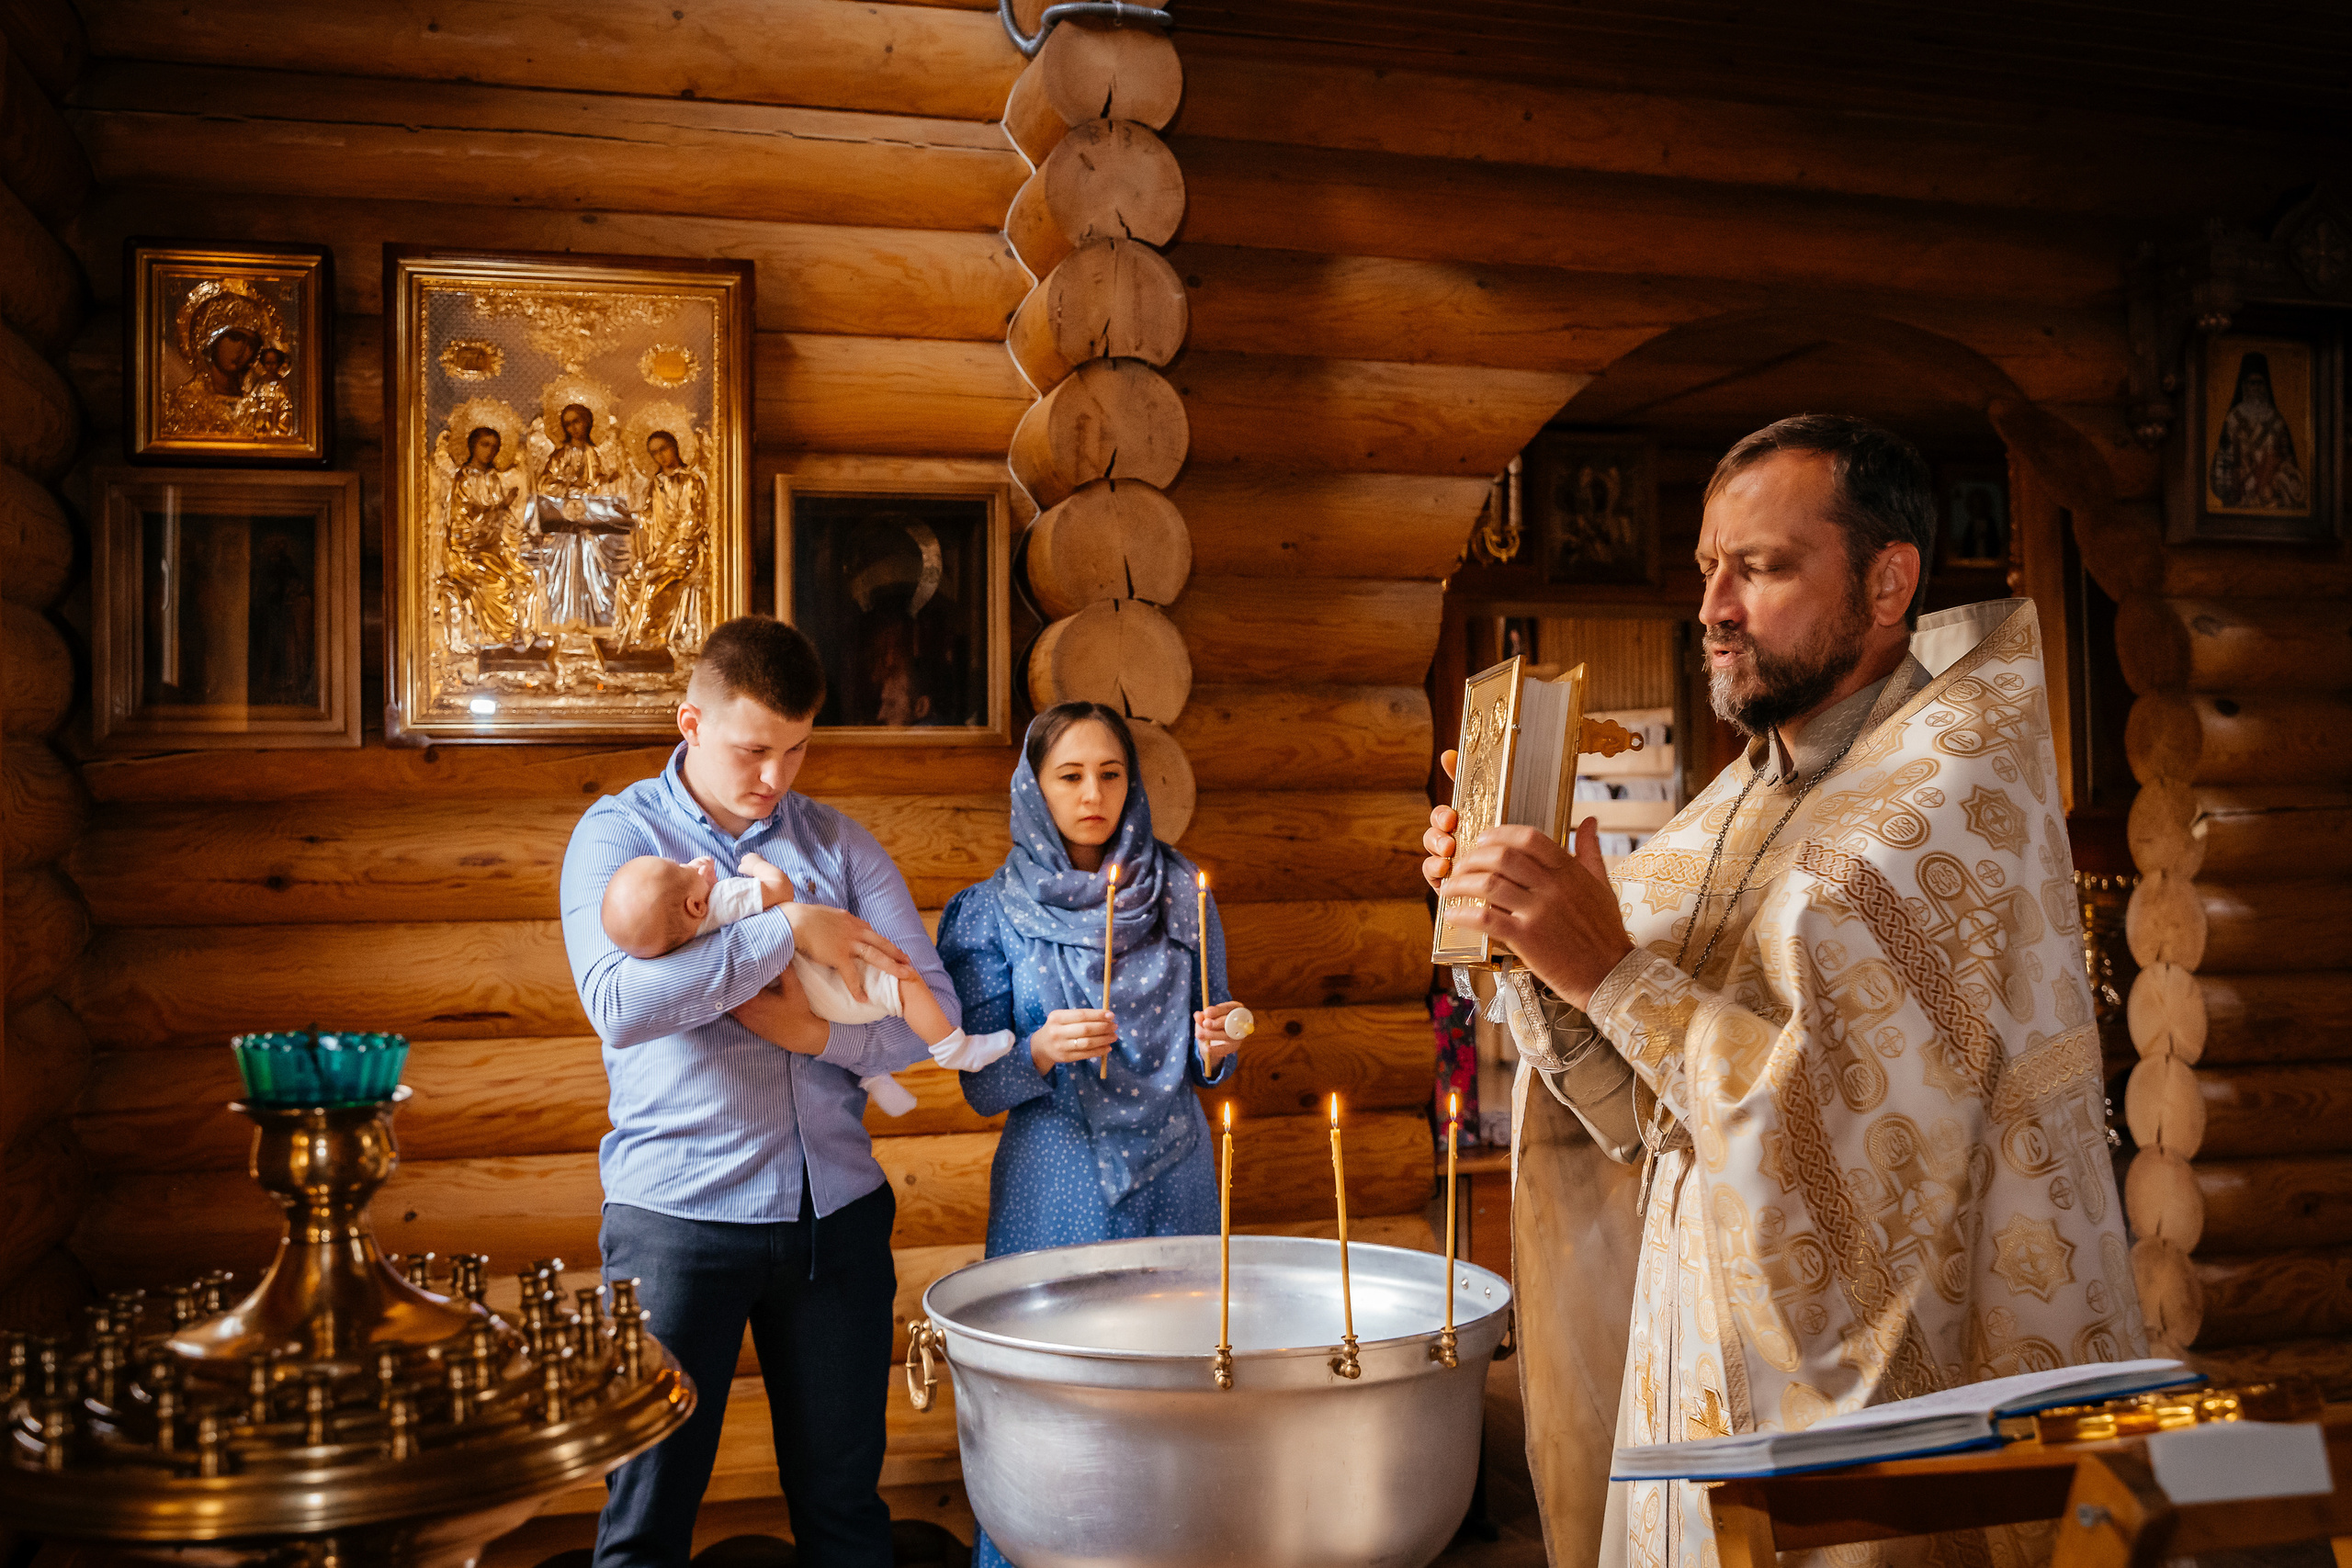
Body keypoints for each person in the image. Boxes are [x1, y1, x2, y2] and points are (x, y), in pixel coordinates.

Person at [1422, 415, 2140, 1568]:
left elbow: (1838, 1158)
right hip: (1695, 1360)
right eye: (1709, 568)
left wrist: (1608, 967)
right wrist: (1532, 939)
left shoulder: (1928, 818)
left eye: (1759, 568)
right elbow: (1651, 1122)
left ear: (1887, 579)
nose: (1713, 606)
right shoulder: (1742, 800)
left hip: (1848, 1429)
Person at [559, 615, 947, 1568]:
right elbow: (619, 1003)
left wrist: (814, 1032)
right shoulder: (617, 836)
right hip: (675, 1219)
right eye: (753, 749)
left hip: (837, 1220)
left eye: (798, 748)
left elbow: (930, 1012)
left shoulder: (840, 843)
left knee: (847, 1513)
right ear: (689, 722)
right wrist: (790, 931)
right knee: (646, 1521)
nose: (776, 776)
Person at [936, 701, 1254, 1568]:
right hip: (1055, 1184)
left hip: (1179, 1175)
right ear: (1033, 787)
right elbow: (979, 1085)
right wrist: (1038, 1048)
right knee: (1051, 1418)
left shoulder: (1181, 892)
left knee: (1181, 1401)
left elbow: (1211, 1053)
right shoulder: (989, 913)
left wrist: (1220, 1046)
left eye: (1111, 774)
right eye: (1070, 775)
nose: (1093, 795)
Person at [599, 847, 1013, 1116]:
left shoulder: (681, 943)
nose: (687, 862)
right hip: (821, 987)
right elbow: (778, 890)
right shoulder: (718, 900)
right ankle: (955, 1048)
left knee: (860, 1015)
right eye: (678, 867)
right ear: (693, 905)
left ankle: (875, 1079)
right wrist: (756, 869)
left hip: (787, 998)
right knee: (901, 979)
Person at [2208, 350, 2308, 511]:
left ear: (2265, 386)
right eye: (2251, 383)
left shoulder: (2276, 421)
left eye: (2259, 383)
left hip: (2271, 499)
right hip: (2240, 497)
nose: (2255, 387)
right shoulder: (2233, 419)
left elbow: (2288, 459)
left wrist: (2277, 475)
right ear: (2244, 386)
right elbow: (2224, 459)